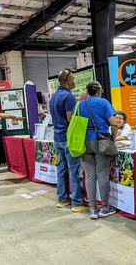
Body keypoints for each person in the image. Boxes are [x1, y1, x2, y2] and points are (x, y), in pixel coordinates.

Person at [50, 68, 87, 212]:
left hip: (57, 137)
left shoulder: (54, 96)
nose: (74, 81)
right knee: (75, 170)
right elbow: (71, 119)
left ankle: (63, 199)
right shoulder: (68, 96)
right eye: (72, 79)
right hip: (68, 139)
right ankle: (77, 202)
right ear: (66, 81)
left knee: (61, 170)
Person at [79, 81, 118, 219]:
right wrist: (112, 138)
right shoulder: (103, 102)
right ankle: (105, 208)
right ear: (99, 90)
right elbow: (114, 123)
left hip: (84, 142)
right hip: (101, 141)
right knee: (102, 175)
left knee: (89, 176)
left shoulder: (80, 104)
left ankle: (92, 209)